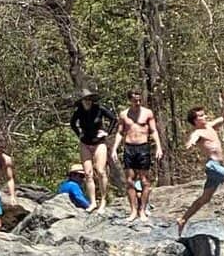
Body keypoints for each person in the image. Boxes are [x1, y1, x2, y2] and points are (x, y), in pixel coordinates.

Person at [177, 95, 224, 234]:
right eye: (201, 116)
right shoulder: (198, 132)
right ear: (195, 121)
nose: (205, 117)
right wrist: (191, 143)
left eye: (204, 114)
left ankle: (183, 219)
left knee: (205, 199)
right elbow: (193, 138)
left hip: (220, 166)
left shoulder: (210, 126)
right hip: (212, 165)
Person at [111, 89, 163, 221]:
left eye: (139, 100)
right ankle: (133, 210)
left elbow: (153, 130)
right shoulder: (124, 115)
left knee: (144, 180)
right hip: (129, 147)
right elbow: (119, 132)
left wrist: (158, 147)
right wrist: (114, 149)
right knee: (129, 181)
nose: (138, 102)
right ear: (130, 100)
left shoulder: (147, 113)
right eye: (135, 100)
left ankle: (142, 210)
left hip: (143, 147)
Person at [69, 87, 117, 213]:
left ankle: (104, 200)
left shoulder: (99, 108)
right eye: (85, 99)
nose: (88, 101)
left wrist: (106, 132)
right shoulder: (79, 111)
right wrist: (78, 133)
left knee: (100, 171)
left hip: (99, 142)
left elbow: (113, 119)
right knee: (88, 173)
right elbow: (73, 123)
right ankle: (92, 202)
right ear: (82, 101)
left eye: (90, 99)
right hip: (85, 142)